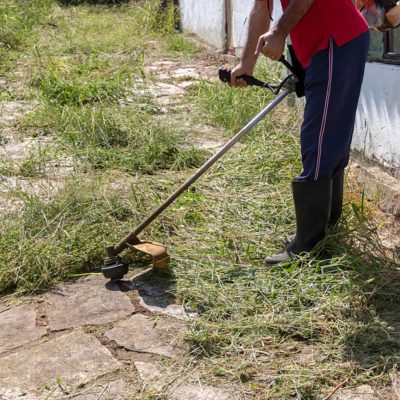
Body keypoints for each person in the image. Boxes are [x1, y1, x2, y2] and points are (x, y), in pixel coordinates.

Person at [230, 0, 370, 265]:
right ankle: (326, 231)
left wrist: (280, 31)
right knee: (328, 135)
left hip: (335, 37)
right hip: (323, 44)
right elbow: (261, 9)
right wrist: (246, 63)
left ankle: (309, 243)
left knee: (319, 138)